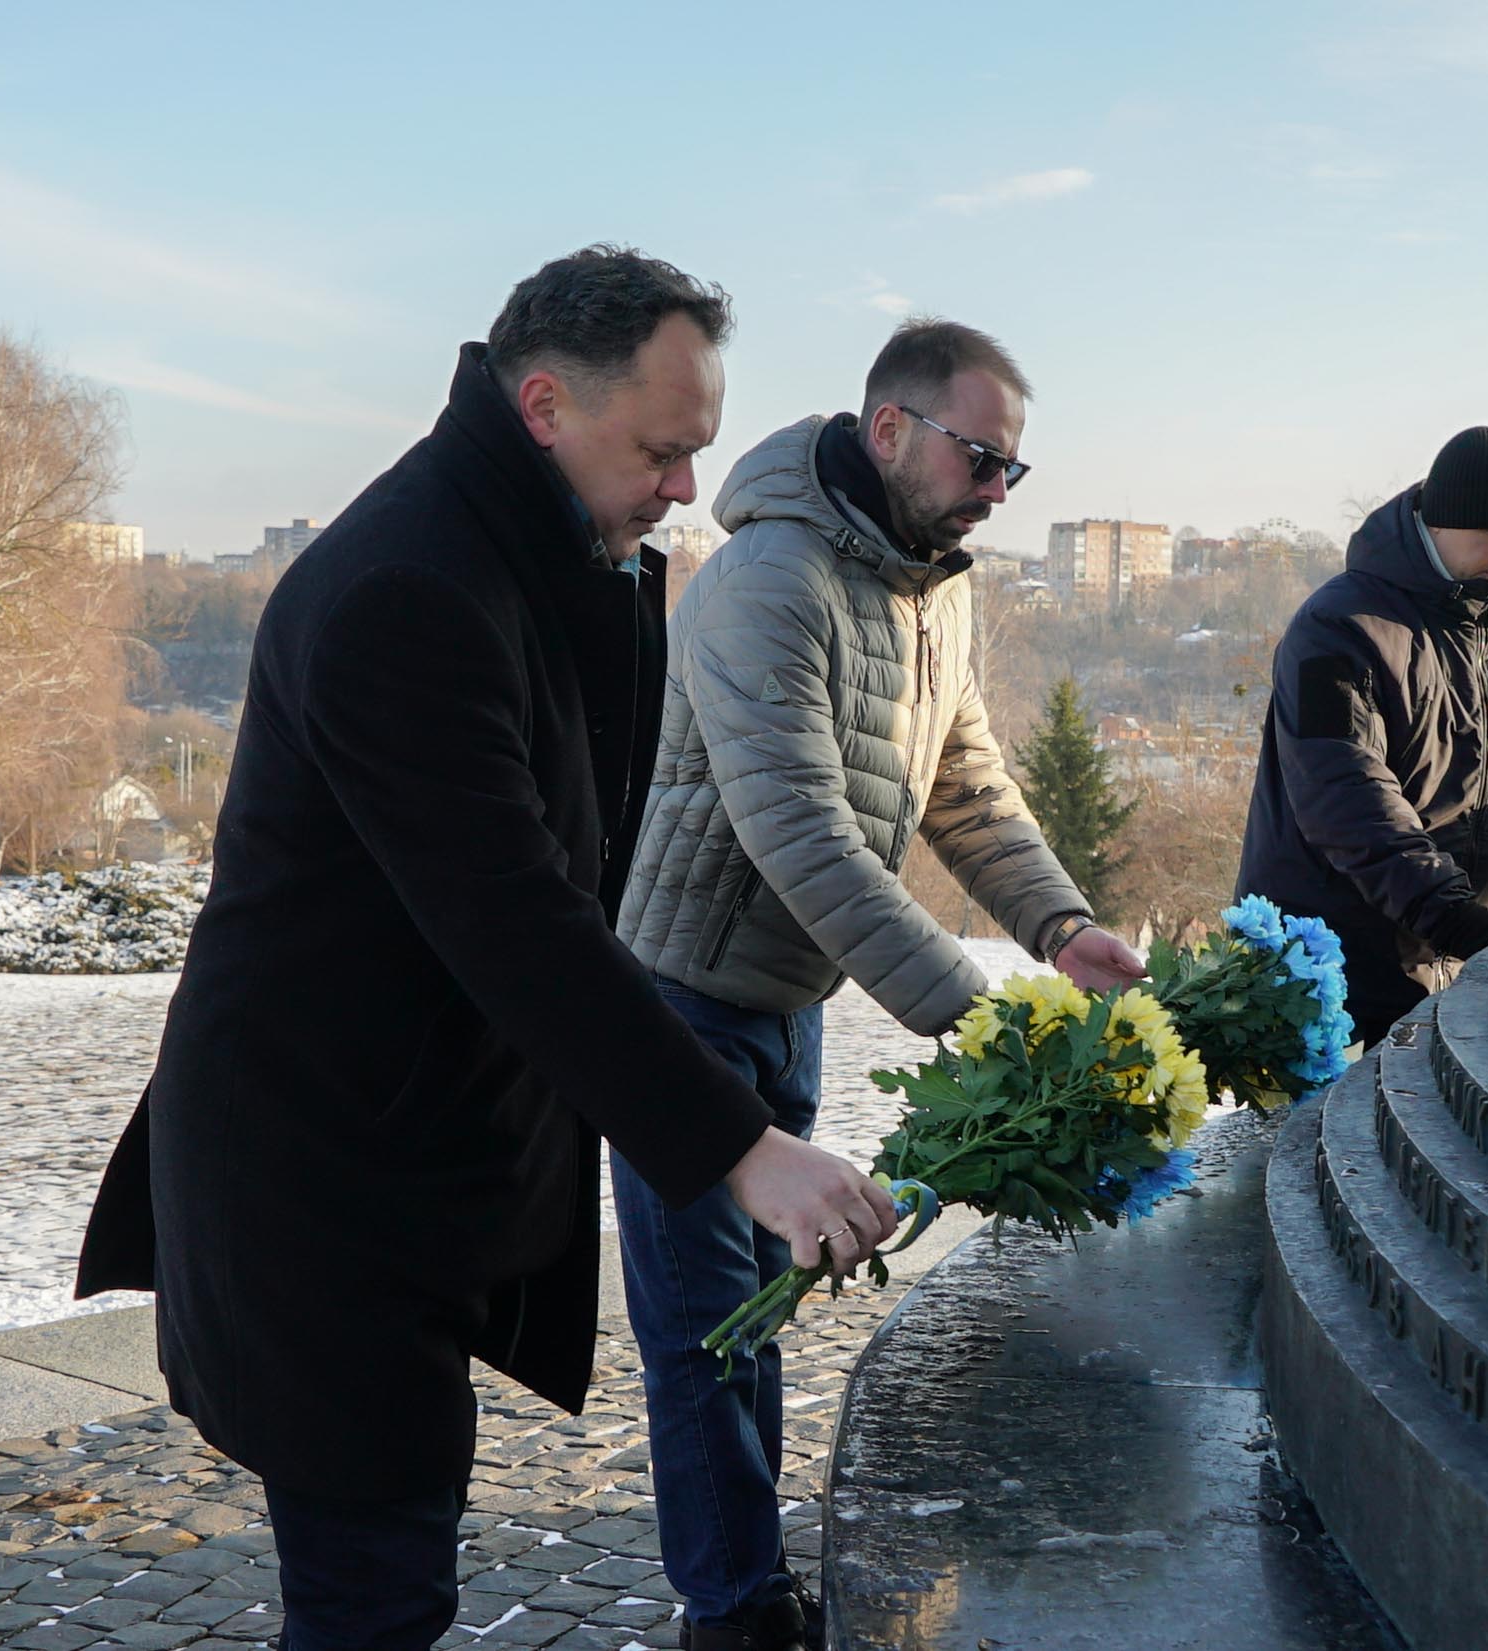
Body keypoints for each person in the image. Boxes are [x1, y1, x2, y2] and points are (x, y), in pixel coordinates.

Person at [72, 246, 899, 1651]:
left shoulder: (545, 556)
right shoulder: (411, 590)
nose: (687, 488)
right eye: (662, 449)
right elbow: (518, 919)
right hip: (318, 1175)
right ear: (541, 406)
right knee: (373, 1593)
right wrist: (744, 1146)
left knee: (385, 1575)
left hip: (405, 1158)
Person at [612, 318, 1141, 1651]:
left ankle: (745, 1575)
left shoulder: (934, 585)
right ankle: (729, 1612)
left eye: (1014, 470)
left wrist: (1059, 927)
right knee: (698, 1332)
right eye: (983, 458)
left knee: (766, 1307)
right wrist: (980, 1012)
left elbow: (963, 785)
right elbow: (802, 834)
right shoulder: (766, 582)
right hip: (678, 1003)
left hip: (788, 1001)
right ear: (892, 427)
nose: (999, 492)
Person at [1235, 424, 1488, 1046]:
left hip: (1451, 973)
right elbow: (1349, 805)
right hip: (1322, 987)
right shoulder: (1337, 630)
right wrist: (1460, 922)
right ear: (1440, 522)